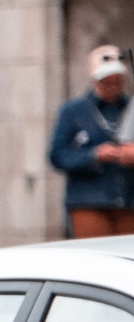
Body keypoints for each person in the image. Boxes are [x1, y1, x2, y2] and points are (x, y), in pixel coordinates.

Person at [50, 45, 134, 238]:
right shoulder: (73, 111)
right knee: (95, 256)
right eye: (106, 81)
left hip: (129, 199)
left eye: (117, 81)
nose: (112, 86)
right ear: (95, 79)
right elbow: (57, 155)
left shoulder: (131, 107)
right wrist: (94, 155)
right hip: (89, 201)